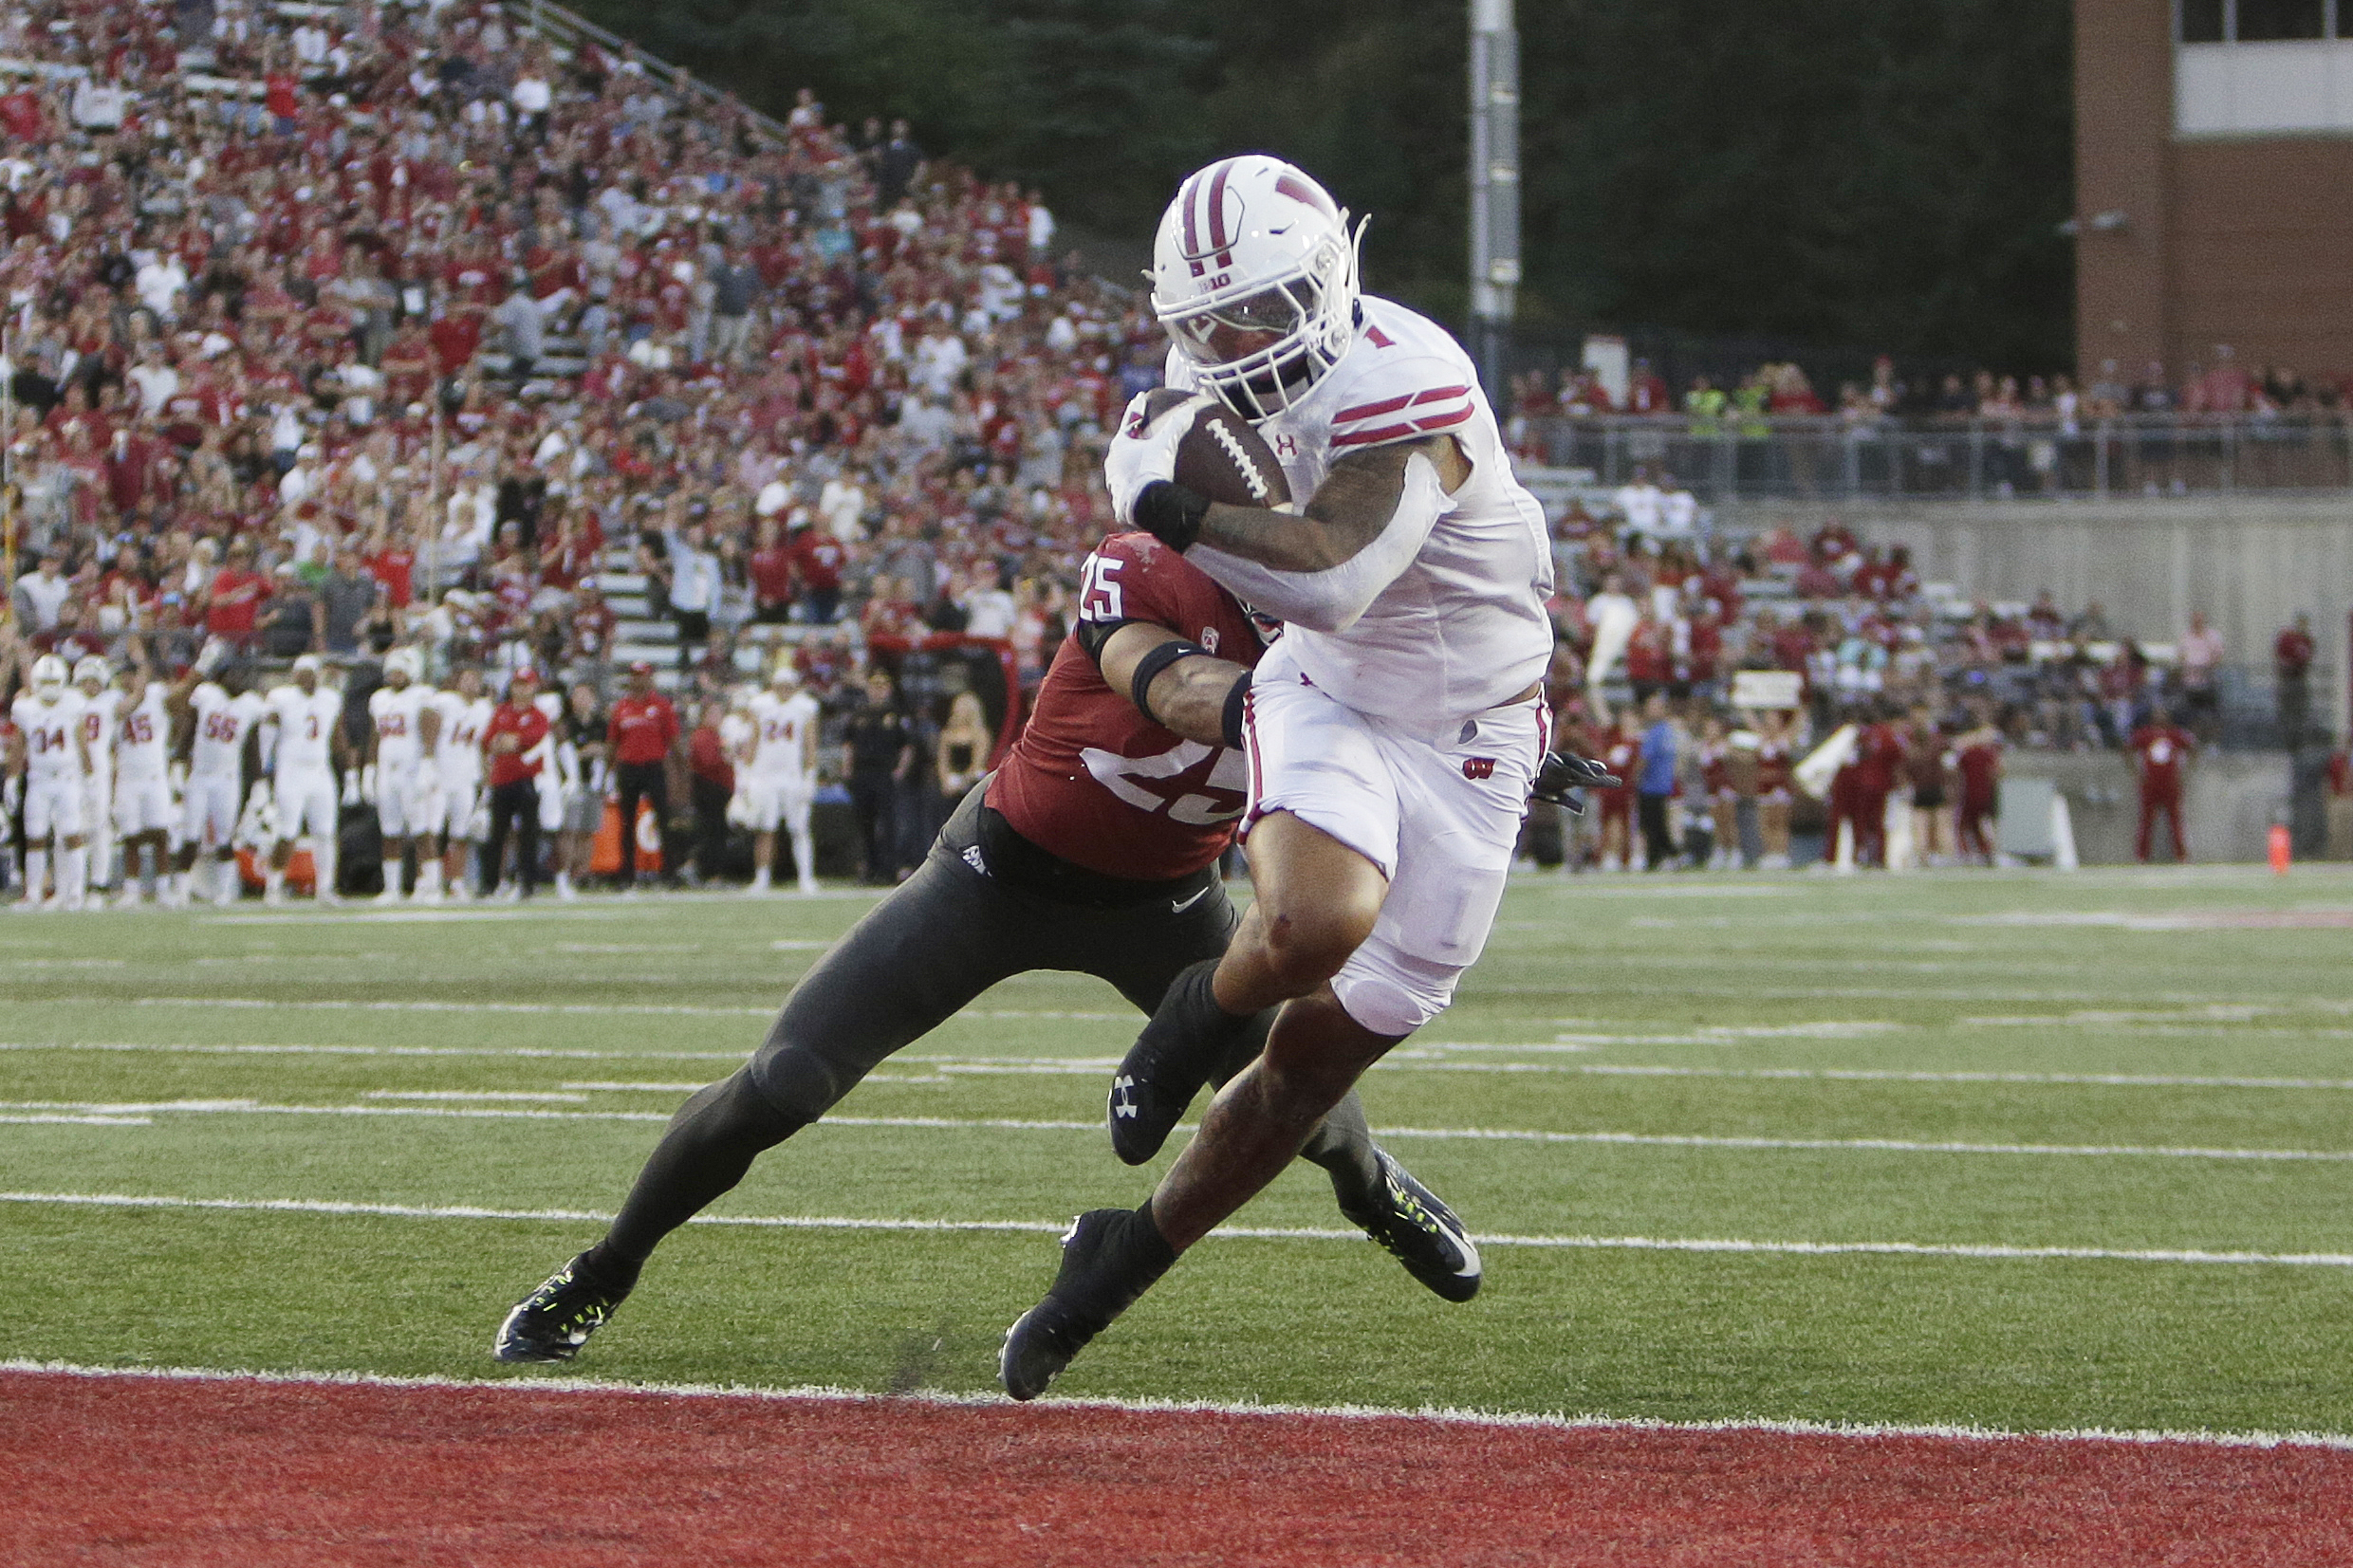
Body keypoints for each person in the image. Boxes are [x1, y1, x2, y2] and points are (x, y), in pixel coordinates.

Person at [493, 527, 1479, 1365]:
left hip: (1167, 906)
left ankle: (1375, 1190)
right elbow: (1179, 693)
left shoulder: (1361, 637)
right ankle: (604, 1269)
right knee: (786, 1078)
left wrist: (1457, 750)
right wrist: (1338, 718)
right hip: (997, 878)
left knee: (1302, 1098)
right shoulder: (1150, 569)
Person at [1000, 157, 1556, 1399]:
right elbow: (1320, 625)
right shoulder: (1194, 398)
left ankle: (1121, 1254)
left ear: (1327, 277)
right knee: (1316, 921)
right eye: (1203, 320)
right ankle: (1205, 1008)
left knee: (1310, 1068)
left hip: (1474, 737)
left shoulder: (1413, 379)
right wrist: (1159, 485)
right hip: (1331, 692)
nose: (1230, 342)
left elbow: (1333, 572)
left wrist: (1163, 503)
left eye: (1254, 309)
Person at [174, 657, 266, 907]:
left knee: (226, 837)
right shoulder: (207, 694)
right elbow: (189, 729)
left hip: (228, 779)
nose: (239, 680)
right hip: (200, 776)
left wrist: (258, 782)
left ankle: (225, 891)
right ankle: (181, 890)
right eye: (233, 675)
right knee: (191, 834)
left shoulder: (250, 705)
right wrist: (179, 762)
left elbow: (252, 748)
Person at [260, 655, 350, 905]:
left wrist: (350, 772)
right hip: (291, 771)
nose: (306, 678)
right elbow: (267, 733)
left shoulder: (330, 699)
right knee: (288, 831)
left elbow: (337, 736)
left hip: (320, 770)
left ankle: (325, 888)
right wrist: (264, 768)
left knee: (326, 832)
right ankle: (273, 886)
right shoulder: (282, 698)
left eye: (310, 673)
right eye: (301, 673)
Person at [9, 655, 92, 910]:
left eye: (53, 680)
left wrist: (89, 776)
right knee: (35, 836)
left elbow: (82, 742)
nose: (49, 686)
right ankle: (34, 892)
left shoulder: (73, 703)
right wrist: (12, 778)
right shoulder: (25, 707)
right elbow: (19, 745)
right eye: (45, 681)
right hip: (39, 780)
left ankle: (76, 893)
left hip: (67, 779)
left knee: (72, 834)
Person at [740, 664, 822, 895]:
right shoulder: (760, 705)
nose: (785, 691)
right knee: (766, 828)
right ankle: (762, 878)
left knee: (800, 828)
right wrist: (746, 775)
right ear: (773, 686)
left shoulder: (805, 707)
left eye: (789, 686)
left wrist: (810, 776)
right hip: (765, 775)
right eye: (781, 686)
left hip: (792, 776)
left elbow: (810, 745)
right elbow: (752, 740)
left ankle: (806, 878)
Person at [365, 648, 436, 902]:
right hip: (387, 770)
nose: (396, 676)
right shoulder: (379, 699)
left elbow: (431, 726)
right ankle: (392, 888)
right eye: (392, 672)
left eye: (401, 672)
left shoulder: (421, 695)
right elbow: (375, 736)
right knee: (390, 831)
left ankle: (431, 885)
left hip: (412, 769)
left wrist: (427, 764)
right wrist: (369, 770)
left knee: (421, 829)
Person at [109, 652, 177, 906]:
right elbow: (128, 706)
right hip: (127, 776)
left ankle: (163, 887)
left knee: (160, 832)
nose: (126, 680)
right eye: (123, 676)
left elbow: (178, 698)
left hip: (154, 774)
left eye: (130, 674)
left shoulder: (158, 694)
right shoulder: (114, 699)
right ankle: (131, 889)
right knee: (131, 836)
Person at [607, 661, 680, 891]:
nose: (638, 680)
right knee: (627, 821)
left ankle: (669, 872)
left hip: (653, 766)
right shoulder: (621, 707)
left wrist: (680, 770)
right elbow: (613, 741)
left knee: (663, 820)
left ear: (650, 679)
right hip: (628, 767)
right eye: (634, 676)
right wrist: (611, 769)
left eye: (642, 676)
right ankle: (626, 874)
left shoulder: (661, 705)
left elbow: (673, 739)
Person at [422, 666, 493, 901]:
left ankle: (457, 883)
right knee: (431, 829)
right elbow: (426, 720)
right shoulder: (444, 702)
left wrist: (486, 783)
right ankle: (429, 881)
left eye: (475, 678)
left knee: (460, 833)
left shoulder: (484, 709)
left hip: (466, 778)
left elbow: (485, 748)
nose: (470, 683)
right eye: (466, 678)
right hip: (441, 776)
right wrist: (429, 762)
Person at [481, 667, 552, 899]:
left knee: (528, 835)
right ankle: (489, 883)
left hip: (526, 780)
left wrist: (510, 741)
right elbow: (489, 741)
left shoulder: (538, 715)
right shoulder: (501, 712)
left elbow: (530, 739)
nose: (521, 689)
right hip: (502, 779)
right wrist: (508, 742)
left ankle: (527, 882)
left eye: (526, 684)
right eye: (517, 684)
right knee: (496, 834)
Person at [843, 669, 912, 884]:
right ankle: (868, 868)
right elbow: (848, 744)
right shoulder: (858, 714)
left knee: (888, 822)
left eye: (882, 686)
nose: (878, 691)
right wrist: (847, 769)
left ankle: (889, 870)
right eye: (874, 686)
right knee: (864, 822)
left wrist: (900, 770)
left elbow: (907, 746)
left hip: (884, 772)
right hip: (862, 772)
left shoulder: (896, 714)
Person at [71, 657, 123, 901]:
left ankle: (98, 883)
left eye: (95, 681)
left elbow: (130, 703)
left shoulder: (110, 701)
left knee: (100, 827)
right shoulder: (70, 701)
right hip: (72, 771)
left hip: (100, 769)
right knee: (72, 828)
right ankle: (73, 885)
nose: (90, 686)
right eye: (86, 680)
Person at [2132, 702, 2196, 863]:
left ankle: (2181, 856)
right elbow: (2127, 748)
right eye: (2157, 713)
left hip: (2170, 785)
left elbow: (2193, 748)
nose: (2160, 716)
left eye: (2163, 713)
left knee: (2175, 821)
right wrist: (2136, 774)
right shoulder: (2144, 734)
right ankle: (2142, 856)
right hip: (2150, 785)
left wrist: (2186, 774)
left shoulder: (2175, 734)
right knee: (2146, 821)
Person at [1634, 692, 1679, 871]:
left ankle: (1662, 855)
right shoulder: (1667, 732)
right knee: (1657, 822)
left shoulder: (1655, 733)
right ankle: (1663, 855)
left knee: (1652, 824)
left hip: (1651, 785)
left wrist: (1634, 778)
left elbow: (1644, 759)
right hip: (1662, 784)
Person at [2275, 613, 2315, 749]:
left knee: (2300, 713)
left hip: (2300, 678)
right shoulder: (2288, 639)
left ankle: (2299, 743)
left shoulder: (2307, 640)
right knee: (2287, 712)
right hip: (2287, 679)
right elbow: (2280, 656)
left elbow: (2308, 657)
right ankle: (2286, 742)